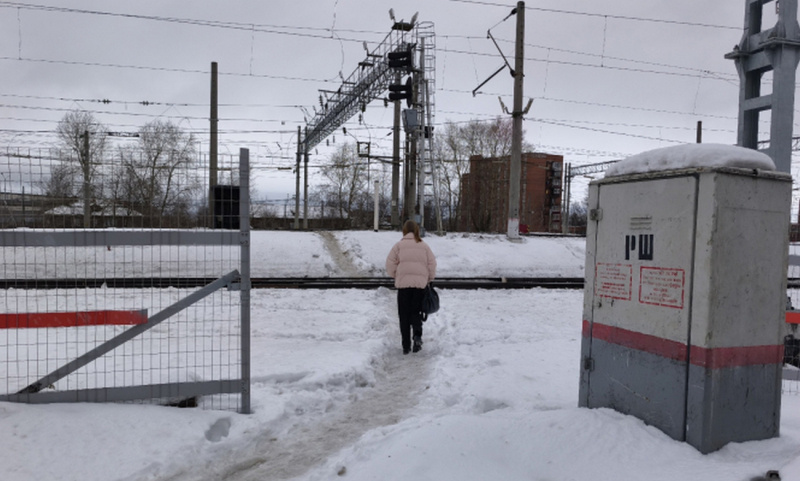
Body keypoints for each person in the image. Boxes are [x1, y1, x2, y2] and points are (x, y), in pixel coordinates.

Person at [385, 220, 437, 355]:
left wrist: (397, 275)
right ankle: (417, 337)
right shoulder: (424, 246)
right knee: (416, 313)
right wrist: (429, 279)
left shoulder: (398, 246)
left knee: (404, 315)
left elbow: (389, 264)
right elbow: (432, 264)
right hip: (420, 286)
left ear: (404, 231)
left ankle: (406, 345)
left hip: (403, 286)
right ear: (416, 231)